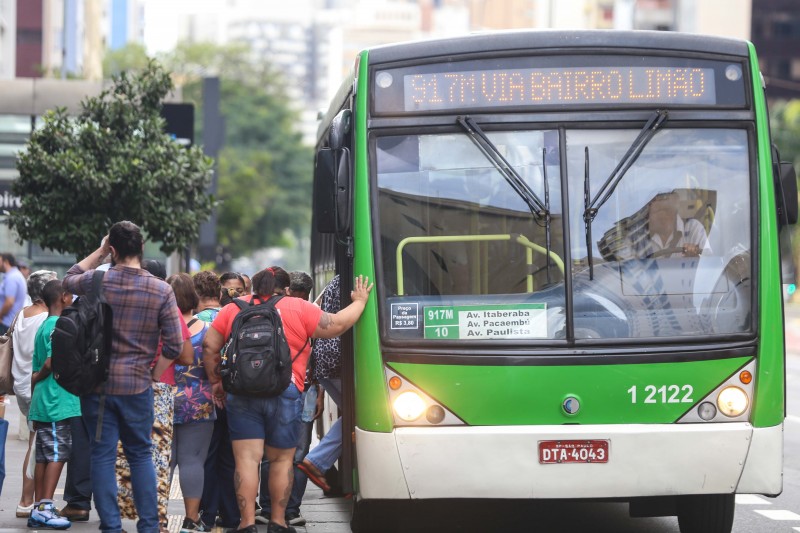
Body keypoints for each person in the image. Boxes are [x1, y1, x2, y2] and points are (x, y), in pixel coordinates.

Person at [203, 268, 373, 533]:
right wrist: (360, 301)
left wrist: (216, 382)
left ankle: (247, 523)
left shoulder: (232, 309)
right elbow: (337, 324)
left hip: (242, 395)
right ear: (285, 288)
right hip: (285, 392)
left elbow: (209, 347)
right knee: (281, 460)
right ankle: (278, 522)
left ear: (253, 288)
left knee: (246, 460)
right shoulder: (299, 308)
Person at [62, 221, 184, 533]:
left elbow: (68, 278)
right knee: (141, 454)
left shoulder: (98, 280)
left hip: (98, 386)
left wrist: (100, 251)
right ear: (142, 249)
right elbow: (174, 344)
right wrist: (152, 375)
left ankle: (112, 527)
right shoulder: (161, 289)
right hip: (137, 386)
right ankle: (148, 527)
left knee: (101, 455)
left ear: (113, 250)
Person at [116, 259, 192, 533]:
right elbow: (184, 353)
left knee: (122, 454)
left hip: (121, 383)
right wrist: (158, 368)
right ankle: (155, 520)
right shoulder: (165, 304)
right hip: (158, 388)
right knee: (156, 456)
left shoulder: (122, 301)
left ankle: (116, 521)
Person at [256, 271, 321, 527]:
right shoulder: (302, 312)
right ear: (287, 291)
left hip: (293, 390)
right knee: (294, 452)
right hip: (297, 389)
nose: (299, 301)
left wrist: (318, 390)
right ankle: (285, 509)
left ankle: (279, 507)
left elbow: (319, 355)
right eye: (296, 296)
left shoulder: (269, 310)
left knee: (281, 452)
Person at [27, 279, 78, 530]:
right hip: (57, 399)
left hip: (43, 401)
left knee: (43, 455)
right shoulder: (59, 325)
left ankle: (38, 507)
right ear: (64, 297)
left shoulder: (43, 325)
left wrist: (35, 380)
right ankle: (46, 506)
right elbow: (49, 362)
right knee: (58, 453)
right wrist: (37, 377)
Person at [168, 273, 215, 532]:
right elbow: (214, 369)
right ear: (193, 298)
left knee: (164, 462)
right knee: (192, 461)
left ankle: (157, 518)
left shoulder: (158, 329)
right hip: (198, 402)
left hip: (161, 401)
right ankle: (191, 520)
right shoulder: (206, 331)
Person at [195, 271, 239, 530]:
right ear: (220, 294)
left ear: (196, 294)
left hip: (204, 396)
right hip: (233, 394)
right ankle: (232, 515)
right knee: (230, 458)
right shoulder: (230, 317)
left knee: (207, 458)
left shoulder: (195, 322)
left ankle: (208, 513)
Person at [11, 270, 57, 519]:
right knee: (37, 444)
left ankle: (32, 499)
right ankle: (27, 500)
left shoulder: (21, 315)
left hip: (21, 386)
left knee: (35, 440)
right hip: (37, 386)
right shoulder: (45, 320)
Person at [298, 275, 343, 494]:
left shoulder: (334, 282)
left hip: (324, 357)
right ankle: (316, 460)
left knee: (356, 414)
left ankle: (318, 460)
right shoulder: (358, 280)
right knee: (363, 415)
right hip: (338, 357)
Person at [631, 192, 711, 258]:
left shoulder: (693, 228)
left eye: (665, 196)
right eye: (655, 198)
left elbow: (710, 266)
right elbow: (624, 269)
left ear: (676, 201)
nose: (660, 200)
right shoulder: (636, 236)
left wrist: (696, 258)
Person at [0, 253, 28, 334]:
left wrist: (0, 315)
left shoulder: (12, 277)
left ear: (6, 262)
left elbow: (9, 302)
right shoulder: (12, 276)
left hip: (6, 324)